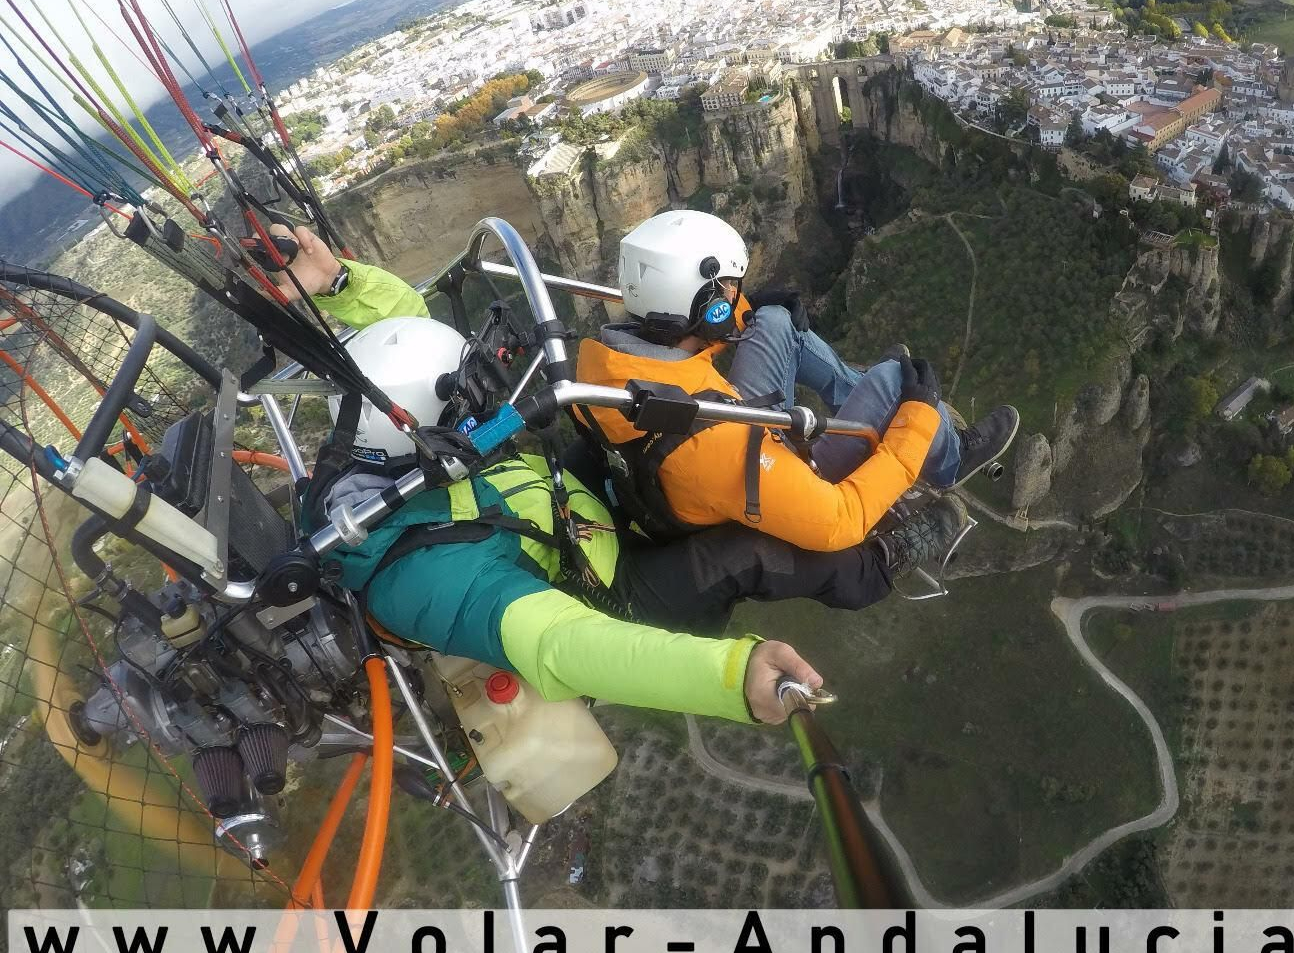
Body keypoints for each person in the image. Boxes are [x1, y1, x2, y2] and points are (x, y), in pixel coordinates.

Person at [271, 225, 964, 726]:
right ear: (425, 429)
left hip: (568, 512)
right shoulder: (420, 578)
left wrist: (338, 283)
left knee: (615, 446)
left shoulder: (389, 442)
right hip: (604, 591)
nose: (486, 405)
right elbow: (562, 643)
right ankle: (883, 558)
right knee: (749, 552)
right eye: (469, 404)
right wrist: (727, 677)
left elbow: (408, 337)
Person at [574, 209, 1019, 552]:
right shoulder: (714, 450)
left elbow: (683, 344)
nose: (734, 292)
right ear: (706, 303)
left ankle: (855, 394)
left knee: (774, 320)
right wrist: (917, 417)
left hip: (720, 431)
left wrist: (749, 309)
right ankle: (950, 460)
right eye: (730, 286)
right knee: (894, 382)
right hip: (777, 474)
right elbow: (838, 521)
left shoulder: (611, 366)